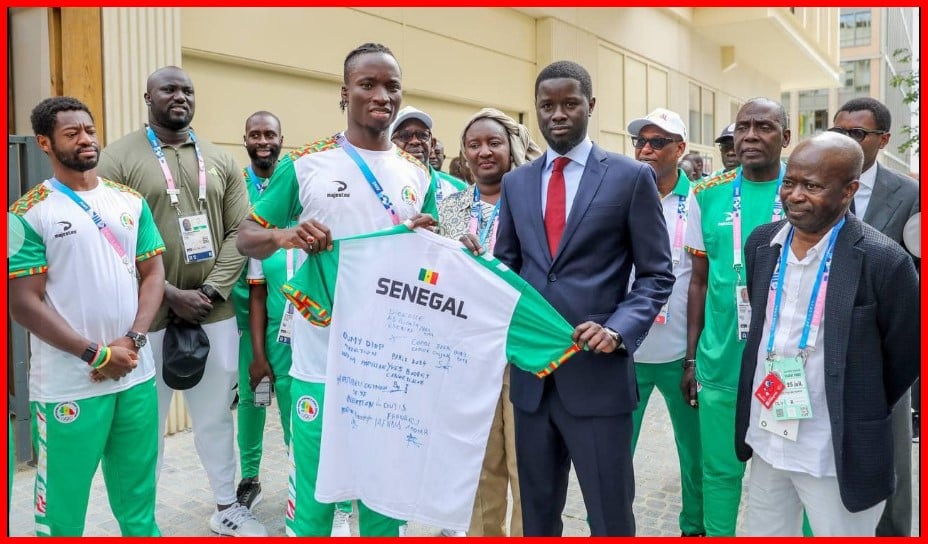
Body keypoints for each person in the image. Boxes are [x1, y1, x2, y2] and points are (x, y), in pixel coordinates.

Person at [235, 42, 437, 537]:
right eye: (367, 84)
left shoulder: (419, 173)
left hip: (390, 362)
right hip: (320, 361)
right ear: (344, 94)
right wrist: (285, 235)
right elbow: (245, 237)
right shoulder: (306, 165)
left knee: (384, 498)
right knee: (315, 497)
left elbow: (436, 262)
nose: (381, 95)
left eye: (391, 86)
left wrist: (440, 245)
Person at [492, 60, 675, 536]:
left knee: (610, 515)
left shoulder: (630, 177)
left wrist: (617, 329)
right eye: (546, 105)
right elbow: (508, 271)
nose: (557, 114)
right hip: (532, 383)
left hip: (598, 377)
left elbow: (656, 274)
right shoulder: (517, 183)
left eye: (569, 103)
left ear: (590, 106)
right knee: (537, 516)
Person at [96, 66, 265, 536]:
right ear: (146, 95)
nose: (180, 96)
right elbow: (109, 237)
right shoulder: (118, 158)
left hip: (215, 312)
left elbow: (242, 231)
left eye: (188, 90)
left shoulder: (221, 160)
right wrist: (167, 291)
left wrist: (211, 291)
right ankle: (140, 520)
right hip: (146, 317)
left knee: (213, 415)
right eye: (169, 89)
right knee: (145, 423)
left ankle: (227, 506)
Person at [735, 132, 919, 536]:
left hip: (836, 452)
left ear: (849, 190)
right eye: (790, 182)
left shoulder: (884, 261)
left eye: (812, 186)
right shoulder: (763, 245)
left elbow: (904, 356)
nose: (795, 196)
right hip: (768, 438)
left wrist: (858, 400)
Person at [9, 96, 165, 536]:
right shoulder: (26, 214)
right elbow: (23, 302)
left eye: (90, 130)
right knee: (62, 511)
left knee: (138, 503)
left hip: (134, 374)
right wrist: (95, 354)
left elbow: (153, 273)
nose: (86, 140)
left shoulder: (129, 201)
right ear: (44, 142)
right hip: (69, 386)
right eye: (71, 133)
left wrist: (131, 341)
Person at [682, 97, 790, 536]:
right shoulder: (706, 194)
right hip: (721, 361)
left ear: (785, 137)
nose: (750, 135)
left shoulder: (804, 188)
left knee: (787, 478)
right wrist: (691, 359)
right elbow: (698, 281)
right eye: (743, 126)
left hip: (787, 365)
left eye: (763, 127)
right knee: (720, 473)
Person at [439, 107, 542, 537]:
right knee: (480, 465)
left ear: (511, 147)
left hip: (519, 350)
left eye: (493, 143)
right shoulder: (451, 208)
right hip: (468, 354)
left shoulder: (531, 202)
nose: (483, 152)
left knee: (526, 463)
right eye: (474, 144)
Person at [831, 97, 919, 537]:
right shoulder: (814, 183)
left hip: (880, 346)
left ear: (882, 140)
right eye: (837, 131)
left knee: (892, 453)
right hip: (821, 339)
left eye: (856, 134)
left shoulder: (910, 193)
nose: (843, 141)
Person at [625, 108, 704, 537]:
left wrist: (695, 356)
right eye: (641, 141)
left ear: (681, 148)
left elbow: (704, 280)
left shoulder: (702, 199)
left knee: (695, 458)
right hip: (627, 352)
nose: (646, 149)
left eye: (658, 142)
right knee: (616, 456)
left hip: (680, 354)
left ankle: (694, 527)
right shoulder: (618, 192)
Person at [390, 106, 466, 212]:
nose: (415, 141)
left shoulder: (459, 190)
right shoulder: (381, 185)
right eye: (404, 136)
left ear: (432, 143)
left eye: (422, 135)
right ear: (389, 144)